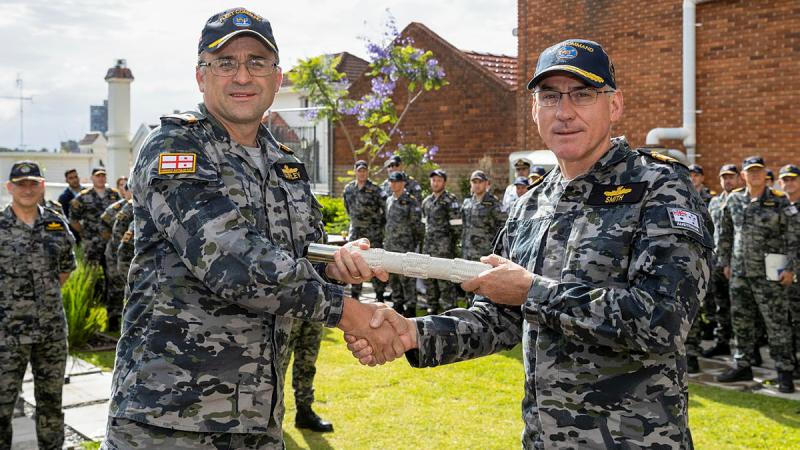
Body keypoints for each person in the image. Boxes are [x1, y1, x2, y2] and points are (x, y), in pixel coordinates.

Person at [347, 39, 713, 449]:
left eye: (584, 94)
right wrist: (413, 332)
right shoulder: (531, 204)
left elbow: (664, 321)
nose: (565, 111)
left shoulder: (660, 188)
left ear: (614, 105)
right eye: (550, 96)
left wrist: (533, 292)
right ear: (535, 109)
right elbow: (499, 318)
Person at [102, 8, 405, 449]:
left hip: (258, 418)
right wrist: (350, 312)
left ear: (277, 78)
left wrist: (336, 262)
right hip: (169, 420)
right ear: (201, 77)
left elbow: (295, 255)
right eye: (225, 63)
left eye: (257, 62)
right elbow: (232, 260)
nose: (242, 76)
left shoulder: (286, 164)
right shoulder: (175, 147)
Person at [0, 161, 76, 450]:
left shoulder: (56, 225)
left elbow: (65, 270)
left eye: (33, 183)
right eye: (21, 184)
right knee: (2, 407)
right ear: (10, 188)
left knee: (51, 405)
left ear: (42, 185)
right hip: (6, 335)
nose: (27, 189)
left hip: (50, 332)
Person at [715, 156, 796, 393]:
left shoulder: (779, 201)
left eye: (759, 171)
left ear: (765, 174)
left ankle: (784, 371)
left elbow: (793, 236)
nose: (755, 175)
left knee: (777, 323)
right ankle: (743, 364)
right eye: (750, 171)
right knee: (741, 321)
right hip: (739, 271)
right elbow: (726, 232)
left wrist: (791, 268)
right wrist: (726, 262)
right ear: (743, 176)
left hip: (770, 273)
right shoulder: (734, 199)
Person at [701, 164, 740, 358]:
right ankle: (723, 342)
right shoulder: (714, 202)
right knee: (720, 304)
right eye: (724, 177)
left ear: (739, 178)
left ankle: (751, 350)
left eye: (731, 177)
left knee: (741, 307)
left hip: (739, 262)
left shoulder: (742, 200)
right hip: (717, 261)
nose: (728, 181)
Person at [342, 160, 387, 301]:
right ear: (355, 171)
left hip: (373, 233)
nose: (362, 173)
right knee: (355, 263)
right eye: (359, 170)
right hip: (355, 232)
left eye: (364, 170)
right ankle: (355, 295)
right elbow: (348, 209)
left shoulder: (376, 189)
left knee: (375, 263)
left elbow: (385, 209)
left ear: (368, 172)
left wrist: (378, 225)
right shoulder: (348, 189)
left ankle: (379, 295)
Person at [460, 170, 505, 305]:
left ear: (486, 184)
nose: (477, 185)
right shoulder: (467, 203)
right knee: (468, 283)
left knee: (484, 286)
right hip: (468, 251)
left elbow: (502, 226)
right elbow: (464, 226)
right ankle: (469, 309)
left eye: (480, 182)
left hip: (484, 253)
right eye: (474, 182)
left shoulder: (493, 203)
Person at [384, 171, 424, 317]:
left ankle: (411, 306)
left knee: (407, 277)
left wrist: (414, 242)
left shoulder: (411, 201)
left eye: (396, 181)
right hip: (390, 245)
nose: (393, 184)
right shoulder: (389, 200)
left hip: (406, 246)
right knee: (393, 277)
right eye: (391, 181)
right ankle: (398, 302)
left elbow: (418, 226)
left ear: (403, 183)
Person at [421, 169, 461, 313]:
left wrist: (450, 244)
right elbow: (424, 225)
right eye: (433, 180)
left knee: (445, 279)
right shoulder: (426, 202)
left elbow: (457, 226)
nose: (435, 183)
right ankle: (432, 305)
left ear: (444, 182)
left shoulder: (450, 200)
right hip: (429, 247)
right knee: (429, 277)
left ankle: (448, 307)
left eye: (438, 180)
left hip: (444, 248)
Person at [70, 167, 121, 265]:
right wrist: (84, 232)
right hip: (92, 243)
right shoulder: (83, 197)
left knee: (112, 275)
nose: (101, 178)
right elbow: (73, 220)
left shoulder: (114, 194)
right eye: (98, 176)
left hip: (110, 242)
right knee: (91, 275)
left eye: (103, 176)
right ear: (92, 178)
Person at [100, 184, 133, 331]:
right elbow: (108, 226)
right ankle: (113, 319)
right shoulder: (125, 208)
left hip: (126, 254)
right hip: (117, 254)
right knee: (115, 287)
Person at [778, 164, 800, 364]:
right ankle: (791, 361)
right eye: (785, 179)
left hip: (796, 270)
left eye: (793, 179)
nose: (789, 183)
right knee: (786, 318)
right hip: (780, 270)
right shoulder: (777, 207)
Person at [58, 168, 83, 244]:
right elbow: (64, 218)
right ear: (66, 180)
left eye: (76, 177)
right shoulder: (64, 198)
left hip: (91, 235)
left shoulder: (88, 193)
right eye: (71, 178)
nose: (74, 180)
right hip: (74, 237)